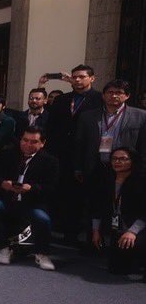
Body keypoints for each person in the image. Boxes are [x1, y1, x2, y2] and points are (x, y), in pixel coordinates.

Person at [0, 127, 59, 271]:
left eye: (33, 142)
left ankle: (42, 253)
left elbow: (52, 188)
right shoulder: (8, 154)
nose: (27, 144)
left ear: (42, 143)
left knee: (43, 218)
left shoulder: (50, 161)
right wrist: (3, 183)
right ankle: (3, 248)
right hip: (8, 199)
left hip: (33, 202)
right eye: (25, 140)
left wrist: (32, 188)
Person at [43, 65, 103, 245]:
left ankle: (79, 236)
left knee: (81, 198)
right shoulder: (62, 99)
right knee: (59, 194)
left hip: (86, 155)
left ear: (92, 78)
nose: (77, 80)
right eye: (75, 77)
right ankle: (55, 232)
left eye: (82, 77)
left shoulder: (99, 99)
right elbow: (51, 126)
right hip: (60, 154)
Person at [74, 79, 146, 184]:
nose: (113, 96)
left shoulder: (141, 116)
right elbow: (79, 143)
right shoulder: (87, 116)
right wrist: (78, 167)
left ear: (127, 96)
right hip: (95, 167)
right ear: (103, 95)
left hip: (126, 169)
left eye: (118, 93)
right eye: (110, 92)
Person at [91, 148, 146, 276]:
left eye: (123, 159)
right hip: (117, 228)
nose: (117, 162)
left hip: (138, 228)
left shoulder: (141, 181)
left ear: (132, 161)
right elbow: (97, 207)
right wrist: (95, 231)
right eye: (114, 159)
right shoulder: (106, 180)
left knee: (137, 243)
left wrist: (132, 232)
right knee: (116, 270)